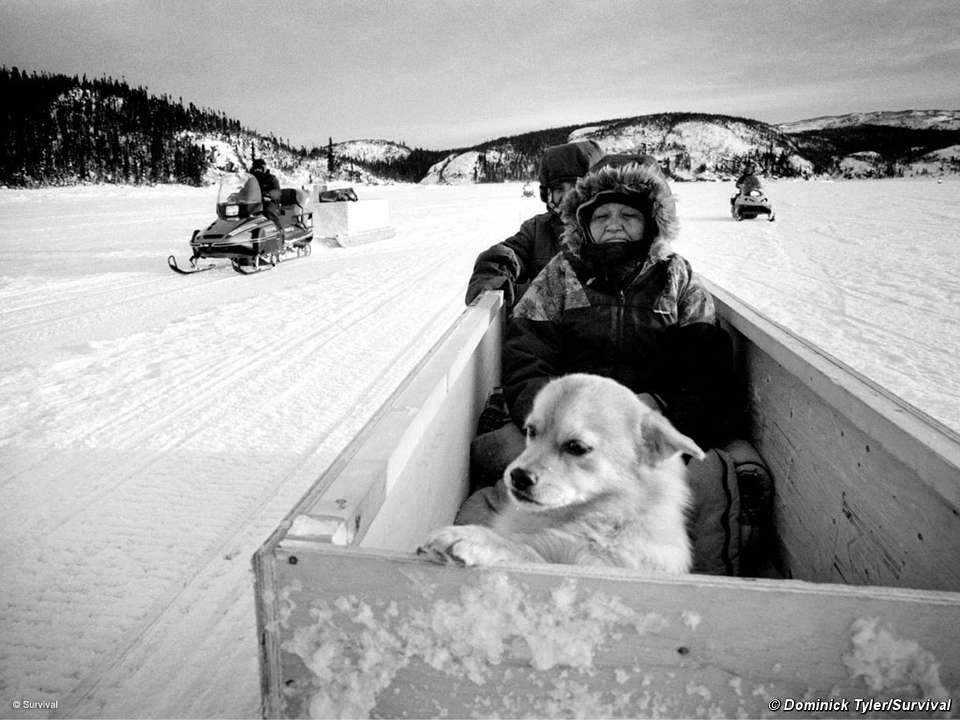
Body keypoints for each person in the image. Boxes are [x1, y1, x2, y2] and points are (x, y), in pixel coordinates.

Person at [461, 154, 774, 576]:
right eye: (601, 215)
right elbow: (525, 357)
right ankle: (501, 577)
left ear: (653, 223)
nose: (613, 224)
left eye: (628, 215)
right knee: (499, 465)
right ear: (582, 224)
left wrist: (661, 412)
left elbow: (708, 368)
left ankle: (701, 587)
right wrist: (550, 419)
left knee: (709, 480)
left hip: (650, 426)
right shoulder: (558, 277)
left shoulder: (677, 280)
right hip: (564, 427)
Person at [464, 140, 602, 310]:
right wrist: (491, 281)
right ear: (548, 194)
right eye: (559, 189)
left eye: (576, 187)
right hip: (545, 329)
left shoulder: (612, 229)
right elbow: (508, 255)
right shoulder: (537, 229)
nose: (568, 197)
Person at [250, 157, 283, 230]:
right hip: (254, 203)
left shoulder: (271, 179)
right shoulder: (251, 180)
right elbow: (245, 190)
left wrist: (269, 194)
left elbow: (277, 192)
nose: (257, 171)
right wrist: (236, 195)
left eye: (259, 169)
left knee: (268, 210)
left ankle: (279, 231)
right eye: (256, 169)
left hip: (270, 202)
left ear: (263, 168)